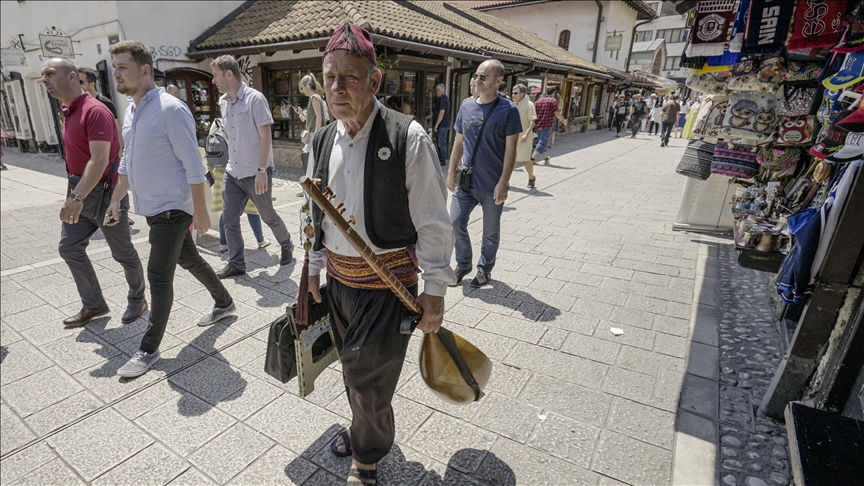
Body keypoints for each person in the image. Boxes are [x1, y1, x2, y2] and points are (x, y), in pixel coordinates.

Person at [303, 23, 455, 485]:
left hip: (388, 287)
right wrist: (310, 272)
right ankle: (363, 426)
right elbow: (314, 213)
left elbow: (433, 221)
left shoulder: (407, 137)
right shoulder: (322, 139)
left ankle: (366, 457)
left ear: (375, 81)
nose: (336, 87)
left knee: (369, 376)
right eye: (330, 76)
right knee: (352, 367)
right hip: (338, 282)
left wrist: (435, 291)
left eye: (349, 76)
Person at [104, 41, 236, 378]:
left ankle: (148, 348)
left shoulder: (170, 109)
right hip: (152, 208)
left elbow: (194, 164)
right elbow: (126, 161)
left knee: (158, 275)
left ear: (145, 70)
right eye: (114, 66)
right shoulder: (132, 112)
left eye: (123, 67)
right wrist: (116, 199)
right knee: (189, 258)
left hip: (173, 208)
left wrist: (202, 211)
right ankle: (224, 302)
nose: (115, 73)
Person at [40, 57, 147, 328]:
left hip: (106, 195)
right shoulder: (68, 110)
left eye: (50, 74)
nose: (45, 80)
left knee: (122, 251)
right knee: (70, 247)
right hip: (81, 189)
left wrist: (76, 198)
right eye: (43, 75)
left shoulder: (95, 110)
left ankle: (138, 298)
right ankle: (94, 304)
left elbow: (99, 160)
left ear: (72, 77)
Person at [210, 54, 294, 279]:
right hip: (233, 171)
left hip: (255, 171)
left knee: (267, 215)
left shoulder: (255, 99)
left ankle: (286, 243)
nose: (213, 80)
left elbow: (265, 137)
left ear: (229, 74)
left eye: (216, 75)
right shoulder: (224, 103)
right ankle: (236, 262)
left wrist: (261, 170)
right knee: (229, 218)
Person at [448, 59, 521, 288]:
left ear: (498, 81)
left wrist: (504, 182)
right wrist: (450, 173)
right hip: (466, 181)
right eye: (476, 76)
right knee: (454, 223)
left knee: (490, 232)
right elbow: (458, 143)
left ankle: (484, 269)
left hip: (492, 185)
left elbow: (511, 149)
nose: (477, 80)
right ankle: (463, 264)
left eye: (483, 77)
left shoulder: (508, 110)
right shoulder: (466, 106)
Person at [205, 120, 270, 253]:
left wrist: (210, 171)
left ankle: (223, 243)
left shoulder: (216, 123)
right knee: (252, 208)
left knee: (226, 210)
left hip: (220, 172)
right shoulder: (239, 123)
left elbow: (211, 149)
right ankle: (260, 240)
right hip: (240, 171)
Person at [293, 73, 328, 174]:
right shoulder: (314, 98)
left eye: (302, 88)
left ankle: (311, 185)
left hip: (314, 134)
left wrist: (316, 135)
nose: (302, 91)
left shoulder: (314, 98)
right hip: (313, 133)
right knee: (309, 161)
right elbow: (313, 117)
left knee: (310, 162)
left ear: (307, 86)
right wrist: (301, 113)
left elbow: (319, 116)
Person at [531, 85, 568, 165]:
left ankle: (546, 158)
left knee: (542, 140)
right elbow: (557, 113)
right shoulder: (552, 100)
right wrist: (563, 120)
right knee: (543, 142)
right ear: (553, 93)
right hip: (547, 124)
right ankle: (532, 158)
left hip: (539, 124)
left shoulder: (539, 100)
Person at [511, 83, 537, 188]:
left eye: (515, 93)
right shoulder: (511, 105)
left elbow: (532, 120)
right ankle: (505, 181)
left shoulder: (529, 105)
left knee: (525, 160)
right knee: (509, 160)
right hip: (512, 137)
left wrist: (526, 134)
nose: (513, 95)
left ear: (522, 94)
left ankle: (531, 177)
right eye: (512, 93)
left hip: (524, 138)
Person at [431, 83, 450, 167]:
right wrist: (427, 117)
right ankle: (439, 159)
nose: (436, 92)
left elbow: (441, 113)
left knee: (441, 143)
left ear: (442, 90)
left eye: (438, 90)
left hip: (442, 125)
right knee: (439, 143)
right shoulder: (440, 99)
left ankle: (442, 160)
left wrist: (436, 125)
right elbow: (436, 112)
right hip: (442, 125)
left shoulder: (443, 99)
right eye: (436, 90)